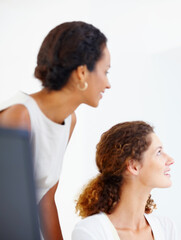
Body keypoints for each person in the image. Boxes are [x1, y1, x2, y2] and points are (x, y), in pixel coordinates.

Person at [0, 21, 110, 239]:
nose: (108, 84)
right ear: (81, 73)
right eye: (105, 72)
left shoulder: (69, 120)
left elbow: (45, 198)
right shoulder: (20, 116)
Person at [72, 121, 180, 240]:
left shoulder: (166, 228)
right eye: (158, 152)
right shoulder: (91, 231)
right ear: (134, 166)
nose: (171, 160)